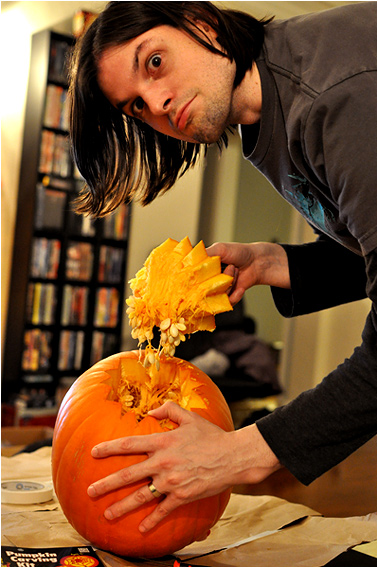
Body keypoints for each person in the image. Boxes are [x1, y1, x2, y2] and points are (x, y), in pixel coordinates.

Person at [69, 1, 376, 534]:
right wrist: (274, 262)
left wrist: (243, 453)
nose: (157, 103)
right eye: (135, 107)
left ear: (200, 24)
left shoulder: (336, 98)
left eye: (155, 62)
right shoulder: (266, 112)